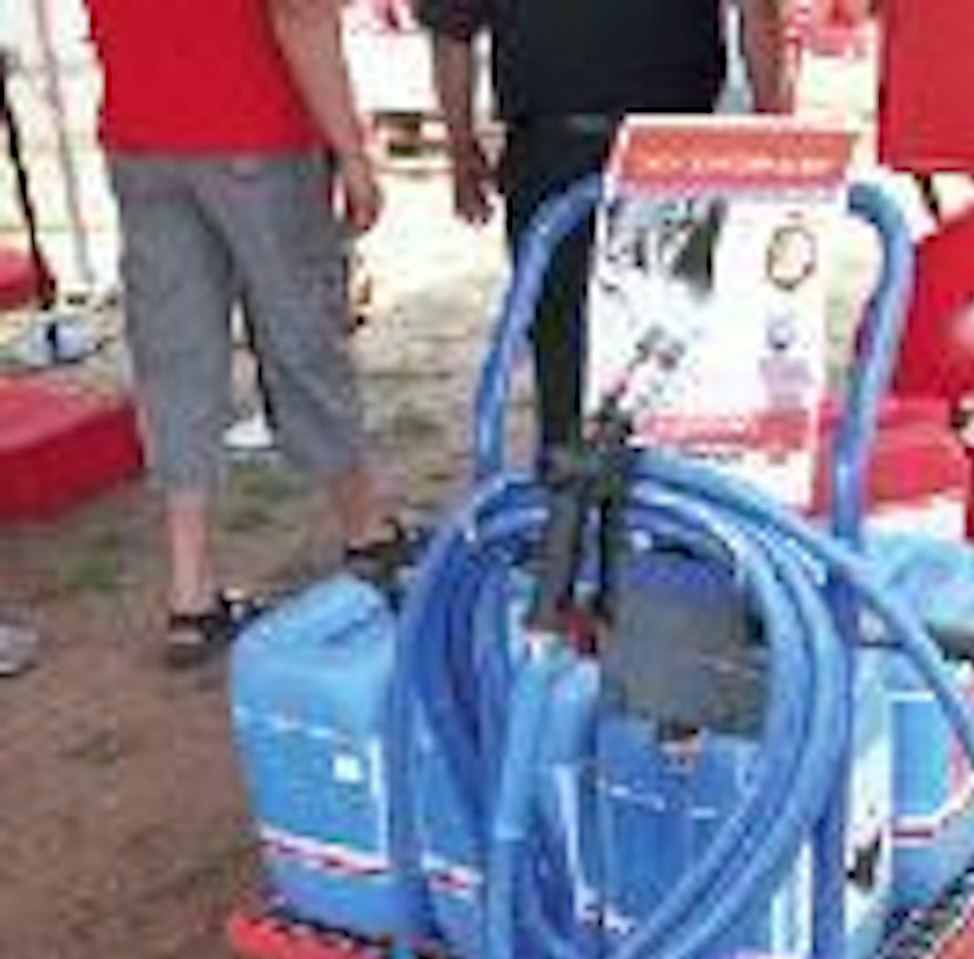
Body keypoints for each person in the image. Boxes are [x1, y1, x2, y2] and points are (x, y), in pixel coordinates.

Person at [83, 0, 402, 666]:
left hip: (142, 131)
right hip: (255, 125)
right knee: (300, 336)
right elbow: (300, 12)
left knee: (174, 359)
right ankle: (365, 529)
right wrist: (351, 151)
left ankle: (190, 590)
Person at [414, 1, 790, 452]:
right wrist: (776, 128)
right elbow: (760, 13)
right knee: (665, 340)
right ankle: (625, 475)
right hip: (657, 148)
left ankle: (575, 473)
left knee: (577, 347)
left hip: (591, 150)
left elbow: (450, 32)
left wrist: (461, 147)